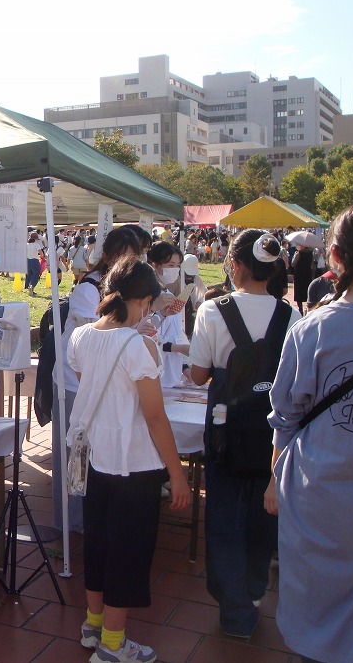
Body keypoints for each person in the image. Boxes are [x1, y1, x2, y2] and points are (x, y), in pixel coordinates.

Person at [266, 202, 353, 663]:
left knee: (312, 611)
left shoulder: (311, 329)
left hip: (316, 496)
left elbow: (285, 417)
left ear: (336, 256)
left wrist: (274, 479)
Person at [68, 256, 190, 663]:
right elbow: (155, 416)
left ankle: (93, 625)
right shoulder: (139, 346)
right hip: (134, 463)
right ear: (143, 301)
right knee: (128, 553)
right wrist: (177, 473)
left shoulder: (81, 336)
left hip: (94, 457)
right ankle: (113, 645)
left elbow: (91, 387)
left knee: (98, 543)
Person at [189, 229, 301, 639]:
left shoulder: (212, 310)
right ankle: (254, 591)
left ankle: (234, 609)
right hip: (272, 433)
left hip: (225, 430)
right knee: (263, 512)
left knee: (224, 515)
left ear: (234, 264)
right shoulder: (292, 316)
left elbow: (198, 375)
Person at [50, 227, 141, 532]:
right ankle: (70, 523)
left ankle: (92, 520)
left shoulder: (128, 293)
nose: (128, 263)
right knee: (72, 453)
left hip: (102, 383)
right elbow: (99, 336)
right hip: (73, 383)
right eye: (123, 256)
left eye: (134, 257)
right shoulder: (88, 289)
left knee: (96, 453)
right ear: (108, 256)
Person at [146, 242, 189, 387]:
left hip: (173, 374)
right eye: (170, 265)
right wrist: (178, 348)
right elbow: (148, 335)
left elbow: (176, 332)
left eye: (177, 266)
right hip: (155, 374)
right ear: (155, 265)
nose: (175, 270)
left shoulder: (169, 294)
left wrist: (185, 368)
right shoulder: (148, 297)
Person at [291, 244, 315, 314]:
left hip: (299, 274)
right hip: (307, 274)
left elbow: (293, 264)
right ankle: (308, 307)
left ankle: (300, 308)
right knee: (307, 290)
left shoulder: (299, 254)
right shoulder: (311, 254)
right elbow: (312, 263)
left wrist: (294, 255)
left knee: (299, 292)